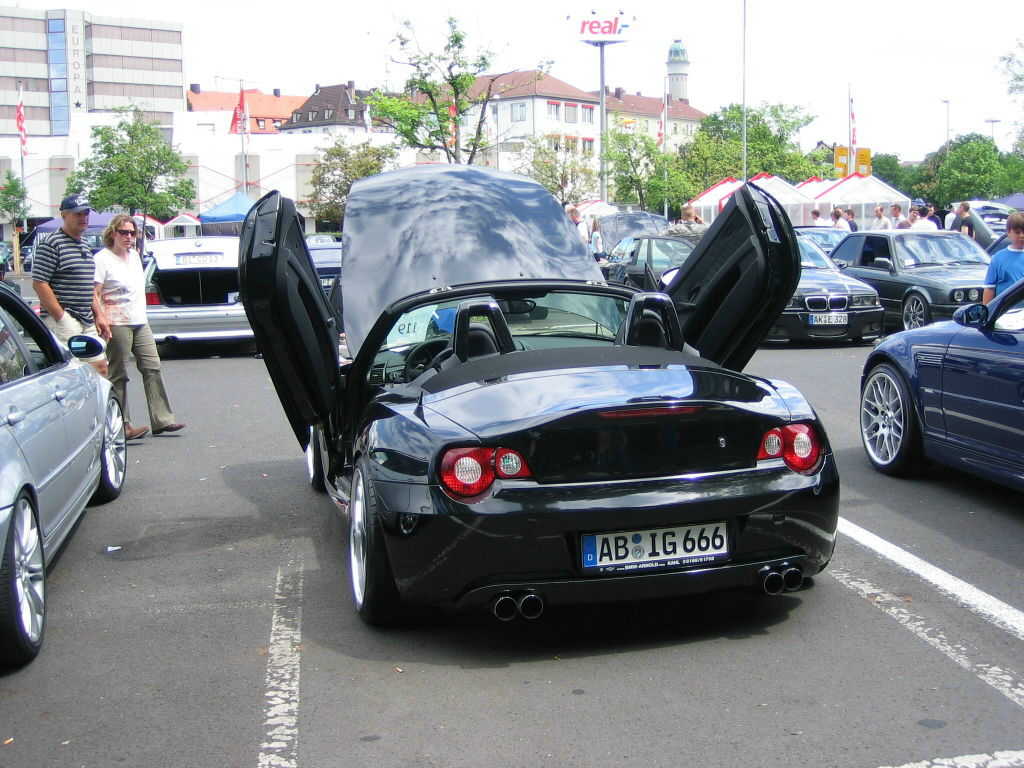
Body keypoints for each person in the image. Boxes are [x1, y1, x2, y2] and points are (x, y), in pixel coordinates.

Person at [94, 214, 185, 438]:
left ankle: (162, 419)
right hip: (116, 321)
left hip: (139, 320)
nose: (129, 237)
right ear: (113, 233)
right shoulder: (102, 259)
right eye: (124, 232)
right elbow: (94, 293)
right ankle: (122, 424)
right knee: (119, 373)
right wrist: (101, 317)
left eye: (132, 233)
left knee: (152, 365)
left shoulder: (134, 256)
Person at [32, 194, 109, 376]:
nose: (83, 218)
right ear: (64, 215)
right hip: (65, 319)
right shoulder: (51, 243)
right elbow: (39, 283)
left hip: (86, 319)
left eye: (86, 213)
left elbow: (87, 284)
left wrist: (99, 315)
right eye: (77, 214)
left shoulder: (84, 244)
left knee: (100, 368)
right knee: (71, 374)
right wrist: (61, 317)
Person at [983, 212, 1024, 304]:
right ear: (1009, 233)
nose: (1022, 235)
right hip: (1006, 313)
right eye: (1017, 232)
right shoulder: (998, 258)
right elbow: (989, 289)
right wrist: (986, 313)